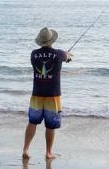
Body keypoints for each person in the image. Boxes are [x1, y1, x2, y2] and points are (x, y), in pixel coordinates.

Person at [22, 27, 72, 161]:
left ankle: (25, 149)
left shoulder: (34, 54)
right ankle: (49, 152)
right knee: (50, 125)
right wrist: (67, 56)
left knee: (32, 122)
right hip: (52, 96)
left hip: (37, 94)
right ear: (52, 40)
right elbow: (67, 56)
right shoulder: (59, 54)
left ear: (40, 41)